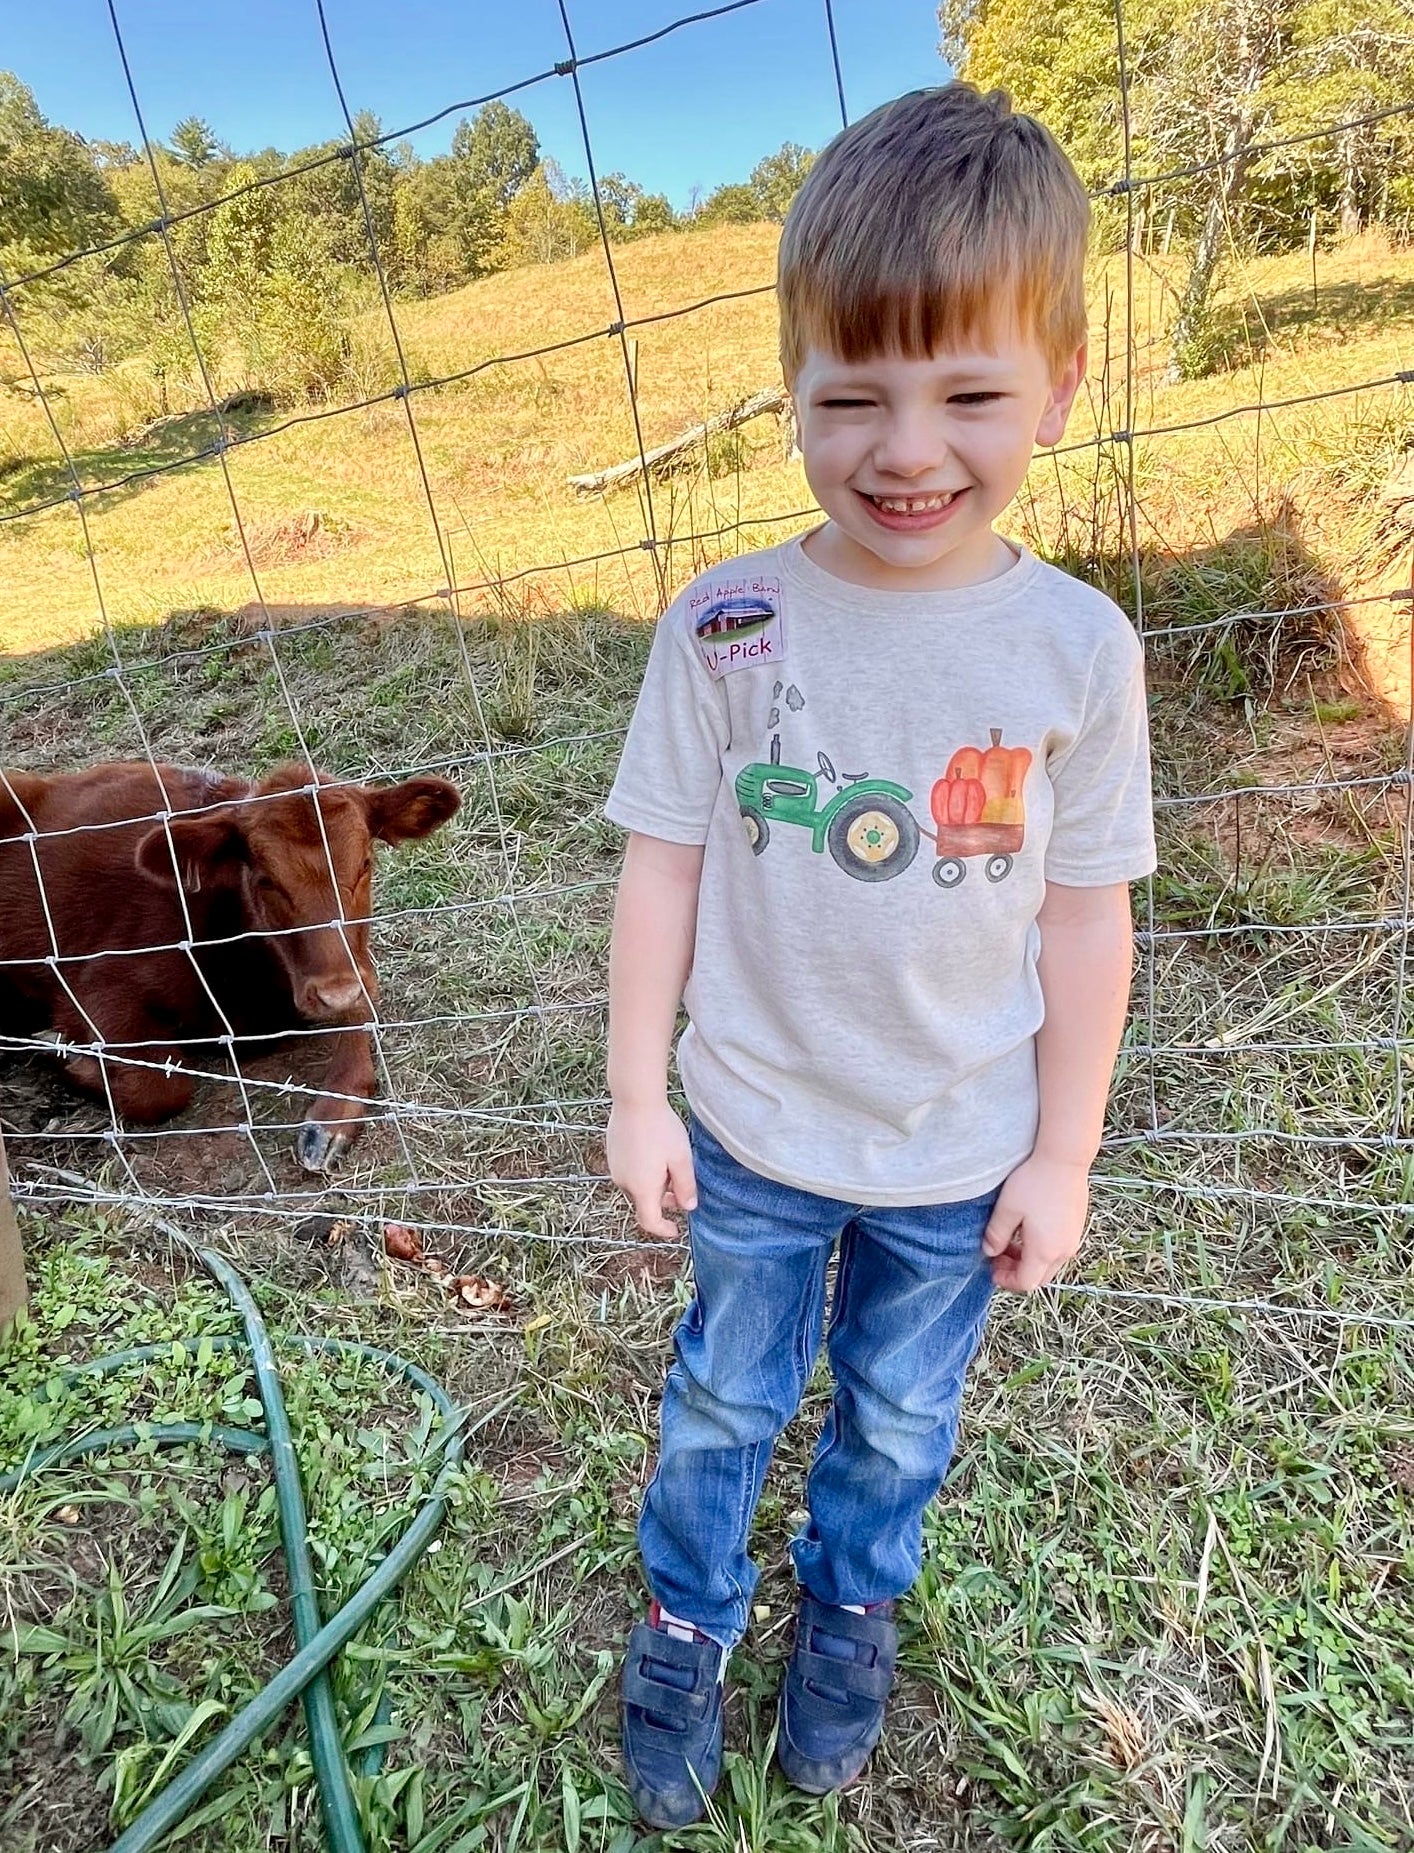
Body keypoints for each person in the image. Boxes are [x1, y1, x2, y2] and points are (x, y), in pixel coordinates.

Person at [602, 82, 1156, 1829]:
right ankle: (686, 1623)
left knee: (897, 1423)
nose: (906, 449)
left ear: (1058, 385)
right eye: (852, 397)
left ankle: (848, 1617)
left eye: (968, 394)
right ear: (792, 395)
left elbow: (1085, 915)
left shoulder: (1078, 649)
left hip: (955, 1150)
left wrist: (1060, 1149)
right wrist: (638, 1094)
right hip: (755, 1129)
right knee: (721, 1400)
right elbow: (663, 864)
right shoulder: (725, 623)